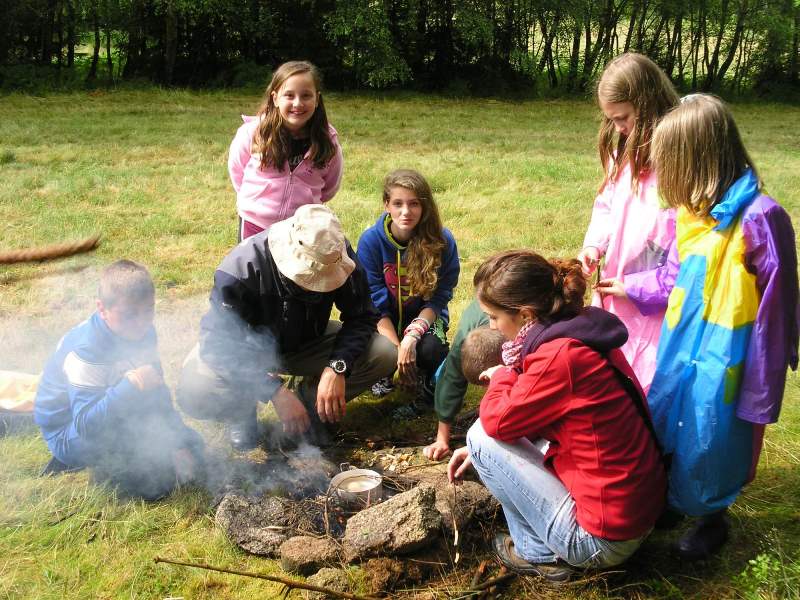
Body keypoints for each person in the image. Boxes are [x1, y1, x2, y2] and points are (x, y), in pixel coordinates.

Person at [448, 251, 666, 582]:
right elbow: (541, 412)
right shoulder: (575, 330)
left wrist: (501, 375)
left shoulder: (557, 358)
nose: (491, 326)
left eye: (493, 317)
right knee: (488, 443)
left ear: (524, 314)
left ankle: (535, 551)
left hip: (602, 539)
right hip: (636, 512)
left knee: (480, 435)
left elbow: (496, 422)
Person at [647, 94, 799, 560]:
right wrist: (628, 286)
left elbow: (777, 309)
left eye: (668, 163)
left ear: (696, 160)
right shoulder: (691, 215)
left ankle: (712, 516)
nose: (662, 175)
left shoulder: (761, 218)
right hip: (681, 344)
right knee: (670, 419)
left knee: (715, 435)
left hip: (729, 352)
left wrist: (762, 386)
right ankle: (672, 498)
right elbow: (672, 277)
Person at [177, 204, 396, 451]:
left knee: (384, 352)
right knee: (196, 388)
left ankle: (311, 405)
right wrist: (274, 390)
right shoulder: (241, 269)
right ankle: (241, 410)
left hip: (307, 342)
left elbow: (363, 316)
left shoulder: (334, 251)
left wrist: (337, 367)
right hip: (247, 353)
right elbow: (217, 345)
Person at [34, 260, 204, 500]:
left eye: (149, 311)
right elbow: (86, 426)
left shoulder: (144, 332)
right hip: (70, 432)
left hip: (115, 410)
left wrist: (177, 440)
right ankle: (104, 471)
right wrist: (131, 385)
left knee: (194, 445)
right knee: (155, 482)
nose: (142, 323)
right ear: (102, 309)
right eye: (129, 315)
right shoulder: (87, 351)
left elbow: (156, 390)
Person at [577, 53, 680, 392]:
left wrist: (637, 288)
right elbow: (606, 205)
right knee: (616, 363)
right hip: (618, 283)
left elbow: (684, 243)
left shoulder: (678, 162)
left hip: (658, 296)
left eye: (622, 118)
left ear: (647, 105)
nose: (618, 127)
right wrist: (594, 245)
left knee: (650, 373)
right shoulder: (621, 152)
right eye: (611, 119)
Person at [357, 169, 459, 406]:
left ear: (424, 206)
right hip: (383, 321)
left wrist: (412, 337)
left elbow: (440, 296)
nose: (406, 211)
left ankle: (424, 374)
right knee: (377, 350)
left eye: (414, 204)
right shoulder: (371, 241)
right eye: (398, 203)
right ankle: (382, 371)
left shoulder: (442, 240)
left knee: (431, 350)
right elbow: (374, 302)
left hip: (425, 318)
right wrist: (397, 353)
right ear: (386, 205)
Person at [228, 60, 344, 241]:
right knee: (251, 261)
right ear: (275, 98)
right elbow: (237, 172)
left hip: (301, 229)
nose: (297, 103)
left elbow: (330, 186)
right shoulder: (253, 133)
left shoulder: (327, 140)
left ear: (317, 99)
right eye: (289, 95)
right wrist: (255, 201)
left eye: (306, 96)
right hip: (255, 225)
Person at [422, 299, 493, 460]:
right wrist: (442, 439)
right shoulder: (465, 340)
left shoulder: (526, 342)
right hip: (480, 317)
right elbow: (451, 378)